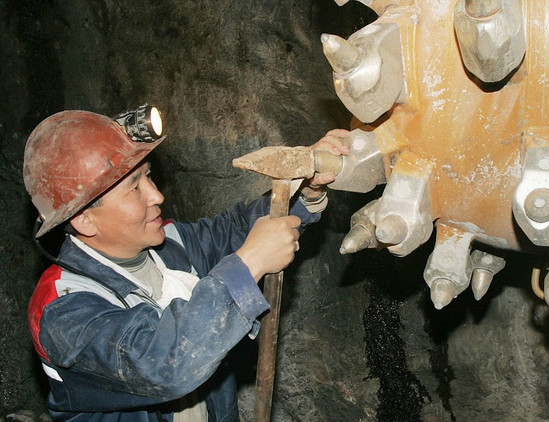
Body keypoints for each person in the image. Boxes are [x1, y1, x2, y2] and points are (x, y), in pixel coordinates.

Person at [23, 106, 349, 422]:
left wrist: (304, 186)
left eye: (148, 177)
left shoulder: (168, 246)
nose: (156, 196)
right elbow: (164, 363)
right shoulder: (62, 310)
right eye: (134, 188)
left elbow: (236, 230)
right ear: (85, 219)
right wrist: (248, 264)